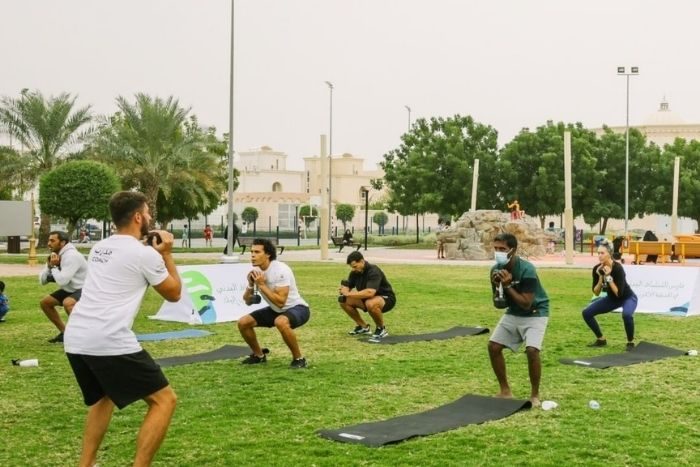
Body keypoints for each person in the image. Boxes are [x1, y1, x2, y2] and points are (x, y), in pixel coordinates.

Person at [63, 191, 181, 467]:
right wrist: (167, 255)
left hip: (77, 337)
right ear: (139, 217)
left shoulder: (99, 248)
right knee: (164, 400)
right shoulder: (145, 255)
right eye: (148, 213)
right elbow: (174, 293)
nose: (151, 218)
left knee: (102, 398)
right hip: (108, 339)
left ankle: (86, 464)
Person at [488, 233, 549, 408]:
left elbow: (526, 303)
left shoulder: (527, 269)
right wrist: (498, 288)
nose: (498, 252)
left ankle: (535, 395)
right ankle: (505, 391)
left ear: (512, 250)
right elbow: (499, 305)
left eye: (502, 249)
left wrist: (507, 286)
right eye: (496, 249)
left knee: (532, 350)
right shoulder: (495, 270)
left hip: (536, 312)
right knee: (493, 346)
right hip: (513, 312)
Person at [238, 238, 310, 368]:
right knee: (243, 323)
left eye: (257, 252)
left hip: (298, 309)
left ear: (268, 254)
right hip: (275, 310)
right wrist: (250, 285)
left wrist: (261, 284)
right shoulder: (257, 272)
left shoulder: (281, 270)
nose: (253, 255)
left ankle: (299, 359)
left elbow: (281, 302)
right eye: (251, 252)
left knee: (281, 321)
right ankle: (259, 356)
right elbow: (247, 301)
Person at [582, 240, 638, 350]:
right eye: (598, 253)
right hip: (612, 299)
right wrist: (600, 277)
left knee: (626, 315)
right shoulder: (597, 269)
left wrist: (608, 277)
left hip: (627, 297)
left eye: (602, 253)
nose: (599, 256)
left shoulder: (617, 268)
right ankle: (601, 339)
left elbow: (619, 293)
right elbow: (596, 292)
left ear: (609, 253)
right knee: (586, 313)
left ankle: (630, 342)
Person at [39, 231, 88, 343]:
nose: (48, 243)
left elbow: (62, 281)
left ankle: (83, 336)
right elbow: (42, 281)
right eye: (48, 240)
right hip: (71, 289)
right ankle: (65, 333)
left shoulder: (72, 256)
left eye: (52, 241)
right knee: (45, 303)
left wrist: (54, 267)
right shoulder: (55, 255)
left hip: (85, 289)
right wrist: (50, 266)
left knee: (68, 302)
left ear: (62, 242)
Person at [339, 251, 396, 341]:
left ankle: (381, 329)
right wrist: (344, 289)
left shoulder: (374, 270)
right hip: (367, 299)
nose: (353, 269)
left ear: (362, 261)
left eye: (355, 266)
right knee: (343, 300)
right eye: (351, 267)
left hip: (386, 299)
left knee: (371, 303)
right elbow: (348, 288)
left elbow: (370, 292)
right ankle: (363, 327)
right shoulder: (354, 272)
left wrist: (349, 293)